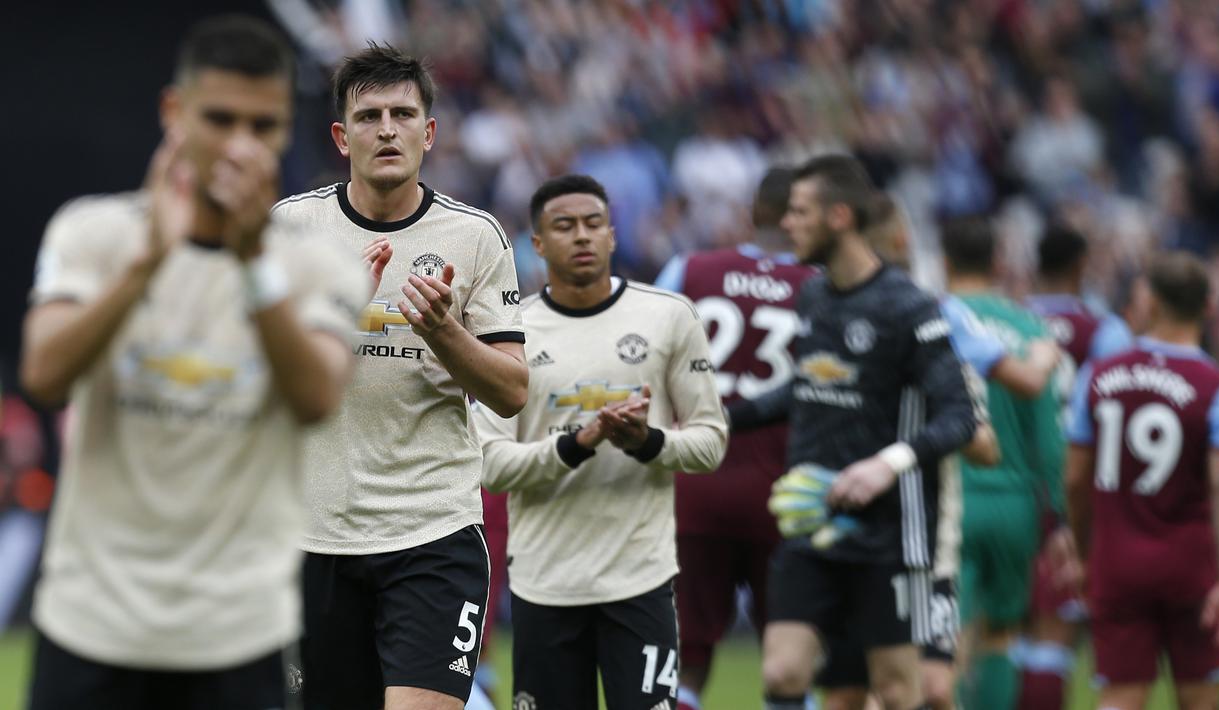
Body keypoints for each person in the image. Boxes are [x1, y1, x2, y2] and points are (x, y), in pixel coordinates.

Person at [20, 16, 369, 709]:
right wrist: (146, 261)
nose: (240, 146)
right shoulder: (94, 232)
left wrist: (251, 266)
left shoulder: (312, 267)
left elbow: (316, 399)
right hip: (91, 626)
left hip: (235, 638)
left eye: (262, 126)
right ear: (174, 114)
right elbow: (45, 375)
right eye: (219, 119)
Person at [273, 44, 527, 710]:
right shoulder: (292, 228)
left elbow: (511, 390)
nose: (387, 129)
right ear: (340, 135)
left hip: (432, 535)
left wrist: (444, 331)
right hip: (311, 535)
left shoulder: (476, 237)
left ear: (429, 131)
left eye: (403, 114)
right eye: (369, 115)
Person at [729, 155, 976, 710]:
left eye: (798, 211)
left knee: (895, 691)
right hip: (813, 521)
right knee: (783, 670)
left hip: (891, 534)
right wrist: (723, 419)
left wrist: (886, 463)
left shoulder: (909, 306)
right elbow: (805, 389)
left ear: (839, 216)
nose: (785, 224)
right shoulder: (814, 296)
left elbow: (960, 417)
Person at [475, 174, 728, 710]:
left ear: (612, 235)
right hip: (545, 585)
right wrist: (579, 442)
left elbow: (710, 442)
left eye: (594, 224)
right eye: (564, 226)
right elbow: (491, 465)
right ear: (538, 245)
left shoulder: (668, 317)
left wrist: (647, 442)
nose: (582, 236)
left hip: (641, 581)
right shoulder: (510, 329)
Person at [819, 194, 1063, 710]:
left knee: (906, 675)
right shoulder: (1016, 324)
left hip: (932, 513)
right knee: (982, 643)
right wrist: (1058, 514)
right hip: (998, 504)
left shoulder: (914, 311)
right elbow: (1035, 407)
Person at [653, 166, 817, 710]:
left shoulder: (690, 268)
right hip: (786, 491)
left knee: (685, 657)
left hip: (693, 484)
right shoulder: (822, 287)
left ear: (752, 214)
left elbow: (642, 355)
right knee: (790, 660)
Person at [1065, 251, 1219, 710]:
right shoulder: (1217, 388)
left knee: (1118, 698)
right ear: (1209, 309)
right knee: (1200, 699)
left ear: (1150, 304)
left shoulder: (1096, 376)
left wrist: (1083, 552)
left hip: (1116, 562)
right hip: (1192, 566)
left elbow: (1075, 477)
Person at [940, 217, 1065, 710]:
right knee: (1000, 637)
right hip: (1016, 503)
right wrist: (1056, 514)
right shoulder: (1029, 328)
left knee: (943, 638)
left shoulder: (934, 317)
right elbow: (1049, 438)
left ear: (945, 262)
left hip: (953, 498)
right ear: (997, 264)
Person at [1018, 223, 1134, 709]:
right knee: (1054, 631)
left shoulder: (1011, 320)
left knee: (1006, 630)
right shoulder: (1105, 331)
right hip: (1070, 488)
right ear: (1081, 266)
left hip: (1009, 481)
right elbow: (1120, 407)